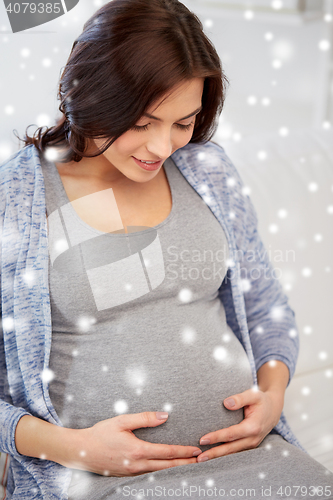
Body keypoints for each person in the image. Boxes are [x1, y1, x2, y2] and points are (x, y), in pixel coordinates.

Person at [0, 0, 332, 498]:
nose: (162, 147)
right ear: (91, 93)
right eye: (143, 122)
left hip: (253, 460)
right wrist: (72, 448)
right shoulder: (17, 199)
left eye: (183, 123)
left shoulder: (208, 171)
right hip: (102, 482)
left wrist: (272, 393)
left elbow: (266, 307)